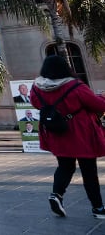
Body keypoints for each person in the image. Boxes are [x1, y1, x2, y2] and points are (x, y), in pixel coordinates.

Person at [30, 54, 105, 219]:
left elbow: (36, 103)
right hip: (81, 133)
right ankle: (98, 208)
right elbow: (98, 104)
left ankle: (56, 195)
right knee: (89, 171)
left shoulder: (37, 87)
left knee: (65, 166)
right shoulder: (75, 86)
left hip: (57, 132)